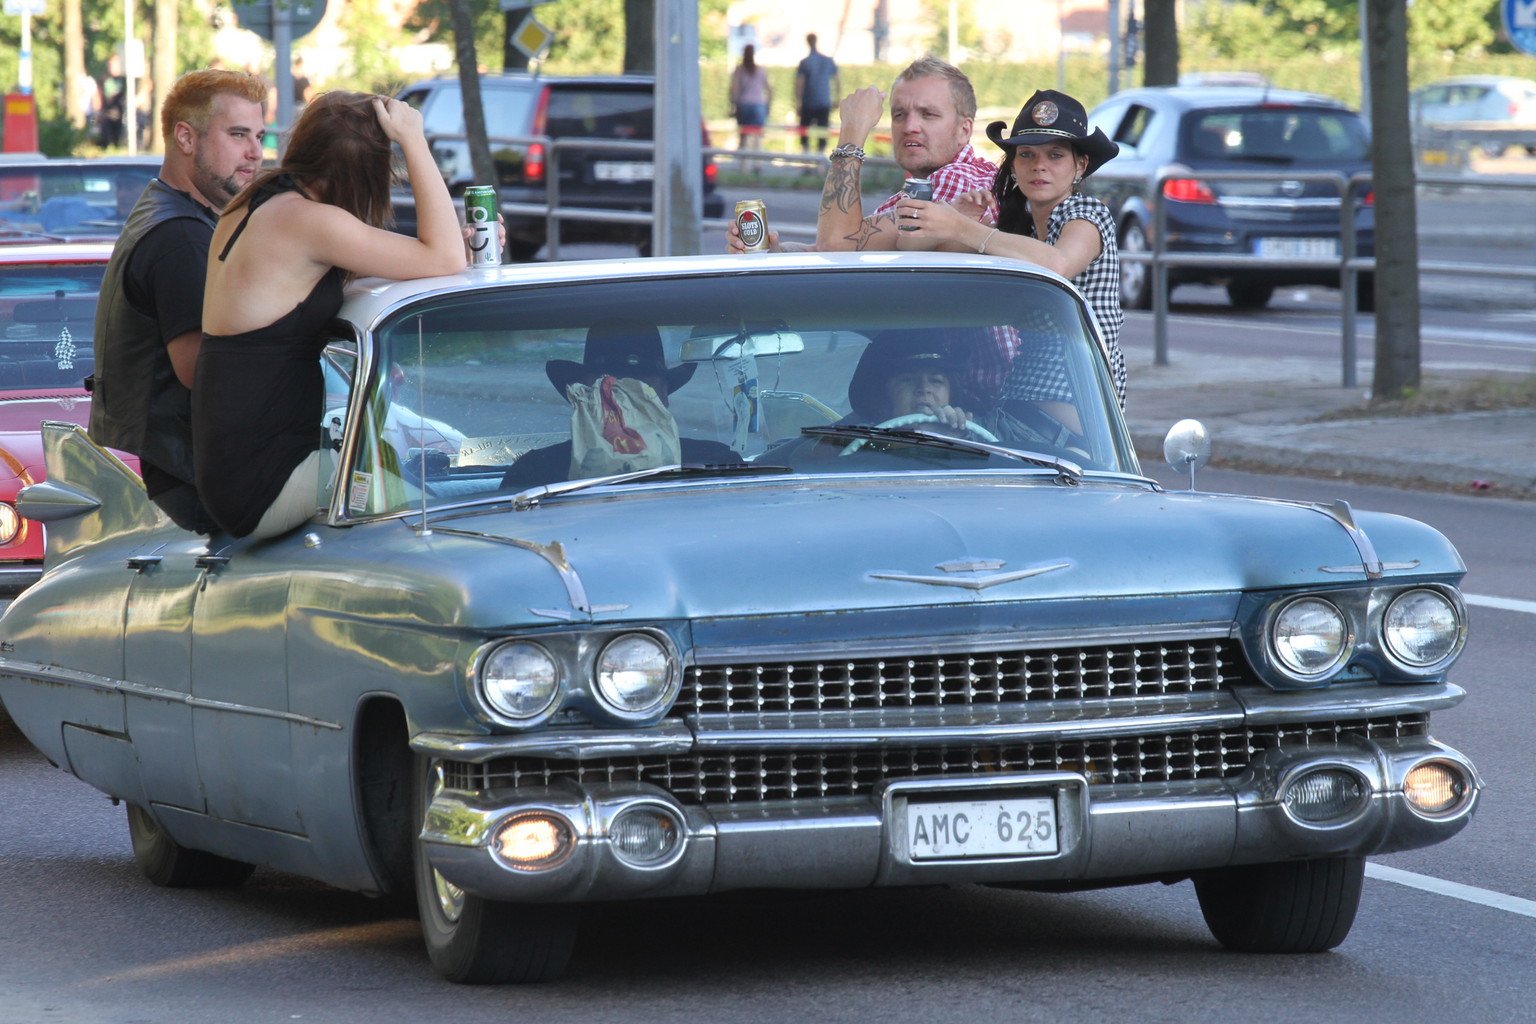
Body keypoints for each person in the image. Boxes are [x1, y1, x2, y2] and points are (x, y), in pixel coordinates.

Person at [193, 92, 466, 540]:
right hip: (268, 484)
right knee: (445, 517)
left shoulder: (259, 203)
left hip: (234, 477)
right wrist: (414, 141)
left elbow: (333, 274)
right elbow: (446, 258)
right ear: (365, 172)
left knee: (409, 478)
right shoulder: (310, 221)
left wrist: (453, 241)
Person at [88, 68, 268, 533]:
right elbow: (205, 373)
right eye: (238, 134)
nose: (255, 152)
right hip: (203, 484)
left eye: (259, 136)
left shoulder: (174, 213)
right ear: (186, 138)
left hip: (197, 475)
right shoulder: (180, 236)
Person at [893, 89, 1127, 406]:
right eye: (1027, 155)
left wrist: (963, 227)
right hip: (1017, 404)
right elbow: (912, 249)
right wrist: (959, 215)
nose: (1039, 165)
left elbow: (1058, 265)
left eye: (1055, 155)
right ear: (1013, 166)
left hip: (1082, 415)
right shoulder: (1019, 231)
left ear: (1080, 165)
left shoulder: (1087, 212)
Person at [726, 56, 995, 254]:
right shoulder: (932, 183)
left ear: (964, 130)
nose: (910, 126)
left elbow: (836, 245)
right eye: (899, 114)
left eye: (928, 114)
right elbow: (840, 248)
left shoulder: (958, 180)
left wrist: (852, 131)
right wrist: (774, 250)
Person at [500, 320, 743, 492]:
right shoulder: (534, 474)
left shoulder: (717, 465)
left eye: (637, 389)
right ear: (582, 397)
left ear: (663, 396)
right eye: (610, 387)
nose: (622, 397)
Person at [794, 33, 839, 154]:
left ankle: (806, 156)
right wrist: (837, 97)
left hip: (808, 102)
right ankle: (820, 156)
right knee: (822, 132)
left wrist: (797, 102)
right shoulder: (828, 61)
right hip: (824, 101)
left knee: (805, 132)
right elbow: (837, 80)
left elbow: (800, 83)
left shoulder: (805, 62)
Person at [729, 45, 772, 156]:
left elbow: (734, 89)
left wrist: (733, 104)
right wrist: (768, 105)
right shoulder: (761, 70)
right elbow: (768, 89)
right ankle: (758, 162)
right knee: (757, 137)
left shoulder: (739, 70)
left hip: (744, 104)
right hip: (759, 104)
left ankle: (744, 163)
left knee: (743, 136)